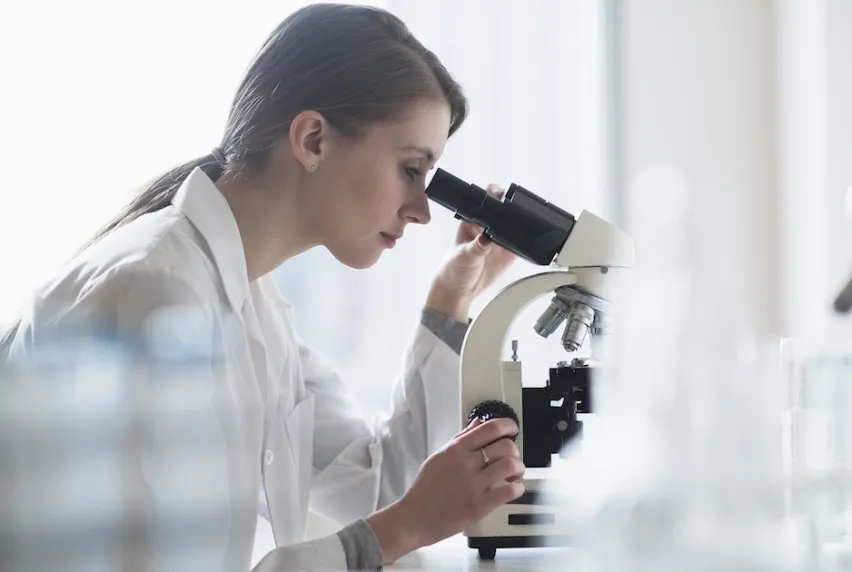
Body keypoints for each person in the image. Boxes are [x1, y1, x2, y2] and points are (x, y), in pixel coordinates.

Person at [0, 4, 527, 571]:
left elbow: (378, 487)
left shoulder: (253, 302)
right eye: (411, 169)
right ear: (313, 139)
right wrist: (404, 528)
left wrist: (450, 303)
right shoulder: (155, 295)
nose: (423, 210)